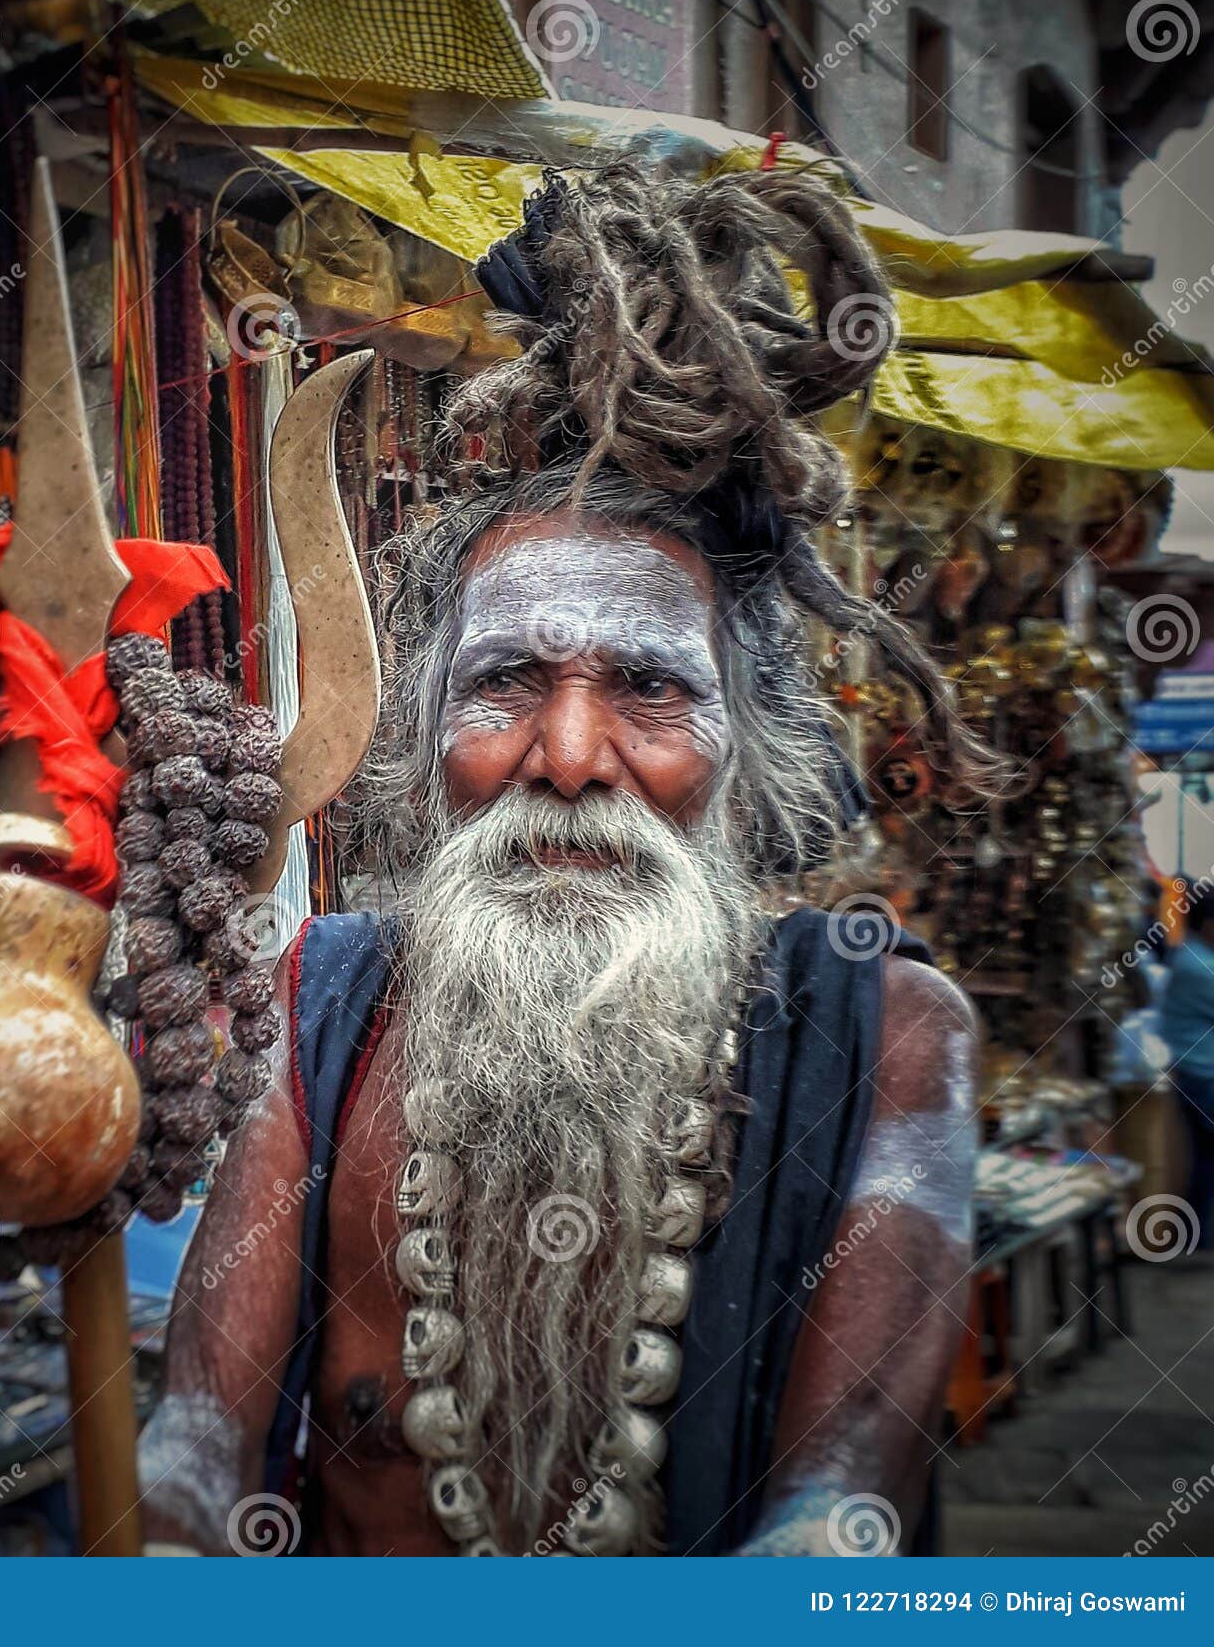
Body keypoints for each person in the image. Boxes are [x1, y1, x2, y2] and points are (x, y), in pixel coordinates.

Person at [137, 161, 987, 1557]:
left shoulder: (891, 1039)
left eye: (649, 689)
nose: (573, 755)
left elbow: (839, 1517)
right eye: (508, 681)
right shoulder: (319, 1004)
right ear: (424, 732)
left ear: (748, 742)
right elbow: (196, 1449)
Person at [1158, 884, 1214, 1257]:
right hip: (1201, 1074)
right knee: (1205, 1160)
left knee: (1205, 1160)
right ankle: (1198, 1239)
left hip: (1196, 1071)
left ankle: (1197, 1238)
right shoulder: (1199, 965)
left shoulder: (1194, 957)